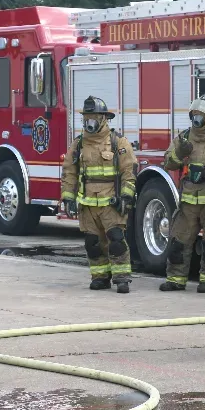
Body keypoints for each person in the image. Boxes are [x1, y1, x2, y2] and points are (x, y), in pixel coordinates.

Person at [61, 96, 137, 294]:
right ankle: (100, 277)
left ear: (104, 119)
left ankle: (122, 279)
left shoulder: (117, 142)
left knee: (116, 240)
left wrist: (126, 197)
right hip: (87, 204)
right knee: (92, 243)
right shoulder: (78, 145)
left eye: (94, 117)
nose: (90, 122)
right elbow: (69, 172)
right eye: (87, 118)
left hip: (111, 203)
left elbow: (129, 171)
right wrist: (68, 198)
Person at [159, 93, 205, 293]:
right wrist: (179, 154)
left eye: (202, 114)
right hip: (188, 203)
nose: (197, 118)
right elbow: (168, 162)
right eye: (195, 113)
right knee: (179, 242)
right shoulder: (184, 137)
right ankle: (176, 280)